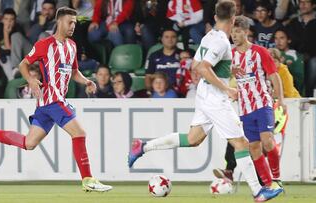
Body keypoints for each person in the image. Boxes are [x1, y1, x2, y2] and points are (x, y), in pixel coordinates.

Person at [128, 1, 282, 201]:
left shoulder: (209, 37)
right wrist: (226, 87)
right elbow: (203, 68)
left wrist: (227, 70)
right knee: (241, 144)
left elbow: (196, 64)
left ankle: (143, 146)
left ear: (216, 17)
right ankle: (259, 191)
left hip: (204, 94)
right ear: (234, 18)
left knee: (194, 139)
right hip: (215, 98)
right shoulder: (222, 42)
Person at [0, 7, 112, 192]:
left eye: (75, 22)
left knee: (29, 143)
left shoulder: (72, 46)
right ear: (59, 22)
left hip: (47, 105)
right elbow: (23, 64)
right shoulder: (45, 44)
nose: (73, 26)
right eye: (70, 22)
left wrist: (87, 81)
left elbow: (74, 72)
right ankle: (88, 179)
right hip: (52, 100)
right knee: (80, 133)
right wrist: (31, 80)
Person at [230, 16, 286, 190]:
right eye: (232, 31)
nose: (234, 35)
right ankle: (268, 185)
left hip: (263, 104)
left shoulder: (260, 52)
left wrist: (281, 100)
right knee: (254, 146)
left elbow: (274, 76)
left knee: (267, 140)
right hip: (245, 108)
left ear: (246, 32)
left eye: (238, 31)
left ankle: (276, 177)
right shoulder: (230, 56)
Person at [274, 28, 304, 94]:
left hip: (294, 94)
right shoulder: (271, 54)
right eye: (276, 38)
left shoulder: (296, 56)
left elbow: (302, 78)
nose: (278, 41)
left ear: (289, 40)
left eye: (282, 38)